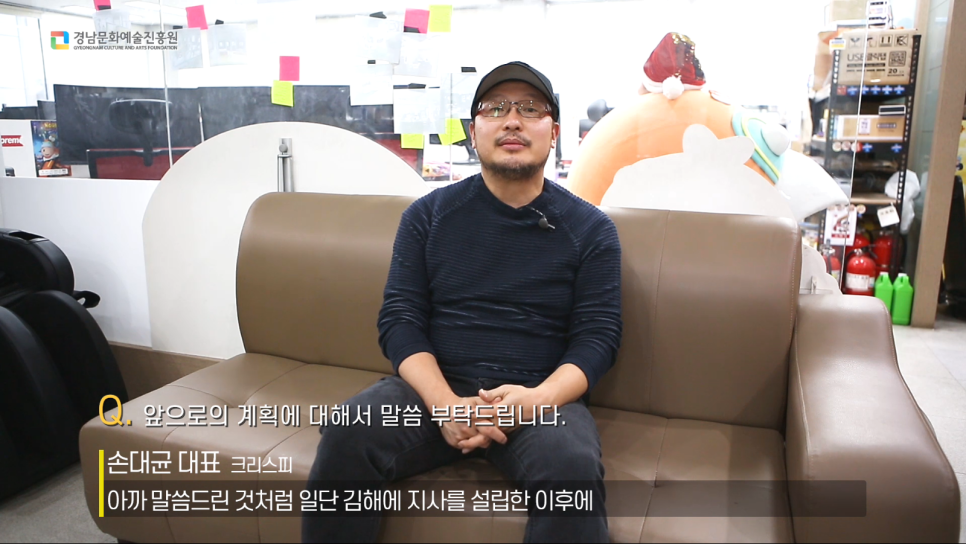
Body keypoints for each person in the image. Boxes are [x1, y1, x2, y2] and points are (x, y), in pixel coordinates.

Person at [303, 61, 623, 543]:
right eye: (495, 109)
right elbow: (400, 320)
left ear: (554, 132)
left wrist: (536, 400)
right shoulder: (427, 216)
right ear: (474, 132)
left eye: (529, 109)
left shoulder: (592, 230)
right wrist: (445, 405)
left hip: (538, 397)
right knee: (350, 430)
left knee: (571, 470)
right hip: (435, 388)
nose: (511, 120)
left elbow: (598, 338)